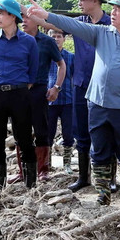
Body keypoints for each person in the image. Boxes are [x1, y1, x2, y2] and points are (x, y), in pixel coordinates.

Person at [28, 0, 120, 206]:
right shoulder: (102, 33)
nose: (113, 13)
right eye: (113, 8)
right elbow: (72, 24)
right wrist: (47, 15)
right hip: (97, 103)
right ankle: (103, 193)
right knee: (98, 150)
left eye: (118, 9)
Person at [59, 0, 112, 193]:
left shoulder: (111, 24)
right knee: (81, 132)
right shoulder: (79, 23)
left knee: (108, 132)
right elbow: (52, 23)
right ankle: (83, 178)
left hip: (105, 86)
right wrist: (29, 13)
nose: (79, 3)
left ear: (95, 1)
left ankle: (110, 179)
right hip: (80, 84)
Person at [0, 0, 39, 188]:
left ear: (13, 17)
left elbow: (33, 71)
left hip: (19, 94)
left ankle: (31, 185)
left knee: (24, 139)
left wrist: (20, 87)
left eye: (1, 13)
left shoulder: (29, 42)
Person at [9, 3, 65, 184]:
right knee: (19, 131)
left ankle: (43, 170)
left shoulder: (47, 42)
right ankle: (23, 170)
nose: (23, 21)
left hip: (39, 90)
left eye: (26, 17)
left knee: (41, 130)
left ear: (37, 21)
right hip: (18, 91)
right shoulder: (16, 39)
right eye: (21, 18)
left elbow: (61, 65)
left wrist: (56, 87)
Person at [48, 30, 76, 174]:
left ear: (64, 39)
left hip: (68, 100)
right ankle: (47, 164)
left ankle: (67, 164)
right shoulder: (45, 56)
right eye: (53, 36)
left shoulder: (71, 57)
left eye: (59, 36)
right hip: (48, 102)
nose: (56, 39)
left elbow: (76, 78)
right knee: (48, 134)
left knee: (68, 134)